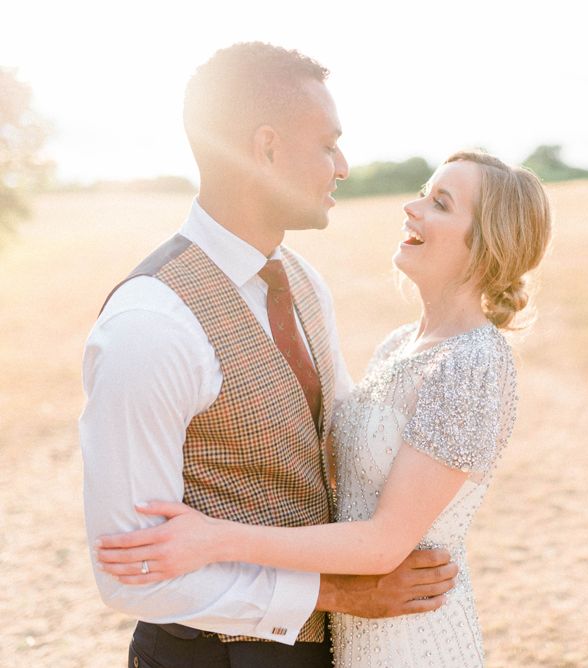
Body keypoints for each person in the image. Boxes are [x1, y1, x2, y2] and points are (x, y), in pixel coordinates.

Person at [80, 42, 458, 668]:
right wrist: (339, 593)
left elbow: (333, 447)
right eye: (328, 144)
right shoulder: (149, 328)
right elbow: (132, 572)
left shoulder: (302, 280)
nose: (342, 165)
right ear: (266, 147)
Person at [96, 150, 553, 667]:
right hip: (355, 634)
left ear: (489, 243)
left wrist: (215, 539)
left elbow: (383, 544)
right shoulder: (401, 344)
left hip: (411, 632)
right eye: (423, 192)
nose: (412, 207)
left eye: (440, 204)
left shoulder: (472, 363)